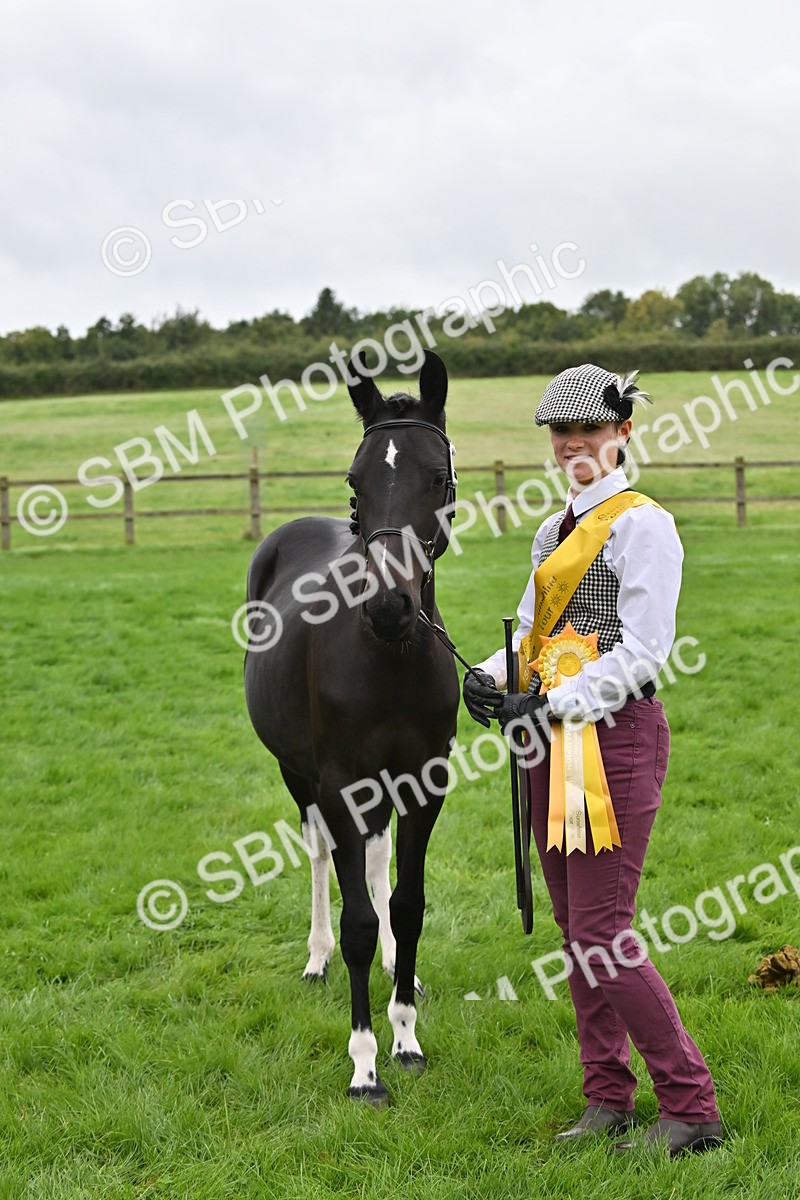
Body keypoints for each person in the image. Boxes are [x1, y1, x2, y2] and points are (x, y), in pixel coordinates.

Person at [463, 363, 723, 1156]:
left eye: (589, 429)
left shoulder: (644, 525)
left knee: (605, 933)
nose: (573, 442)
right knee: (578, 933)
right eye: (560, 431)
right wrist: (488, 676)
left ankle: (691, 1107)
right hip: (553, 746)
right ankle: (607, 1097)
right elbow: (529, 639)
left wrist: (550, 703)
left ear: (623, 433)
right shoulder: (552, 532)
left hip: (614, 740)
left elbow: (645, 652)